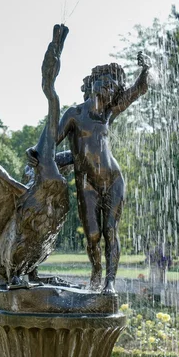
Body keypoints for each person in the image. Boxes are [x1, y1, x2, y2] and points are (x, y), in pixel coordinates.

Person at [56, 53, 150, 294]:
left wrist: (145, 69)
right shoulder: (74, 114)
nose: (109, 85)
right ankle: (96, 271)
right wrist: (38, 153)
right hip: (86, 184)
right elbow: (52, 141)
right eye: (104, 80)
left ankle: (109, 283)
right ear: (92, 84)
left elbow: (138, 90)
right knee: (93, 237)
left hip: (113, 180)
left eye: (113, 84)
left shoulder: (110, 112)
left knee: (110, 230)